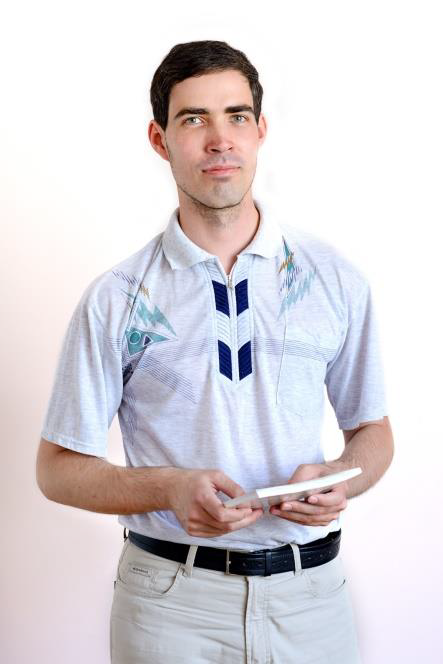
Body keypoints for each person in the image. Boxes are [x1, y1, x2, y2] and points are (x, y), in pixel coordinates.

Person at [36, 40, 394, 663]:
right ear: (160, 139)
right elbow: (58, 469)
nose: (219, 139)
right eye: (194, 119)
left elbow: (373, 431)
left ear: (260, 131)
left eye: (236, 116)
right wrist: (168, 488)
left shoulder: (334, 280)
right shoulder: (118, 298)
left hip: (310, 599)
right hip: (170, 604)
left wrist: (345, 478)